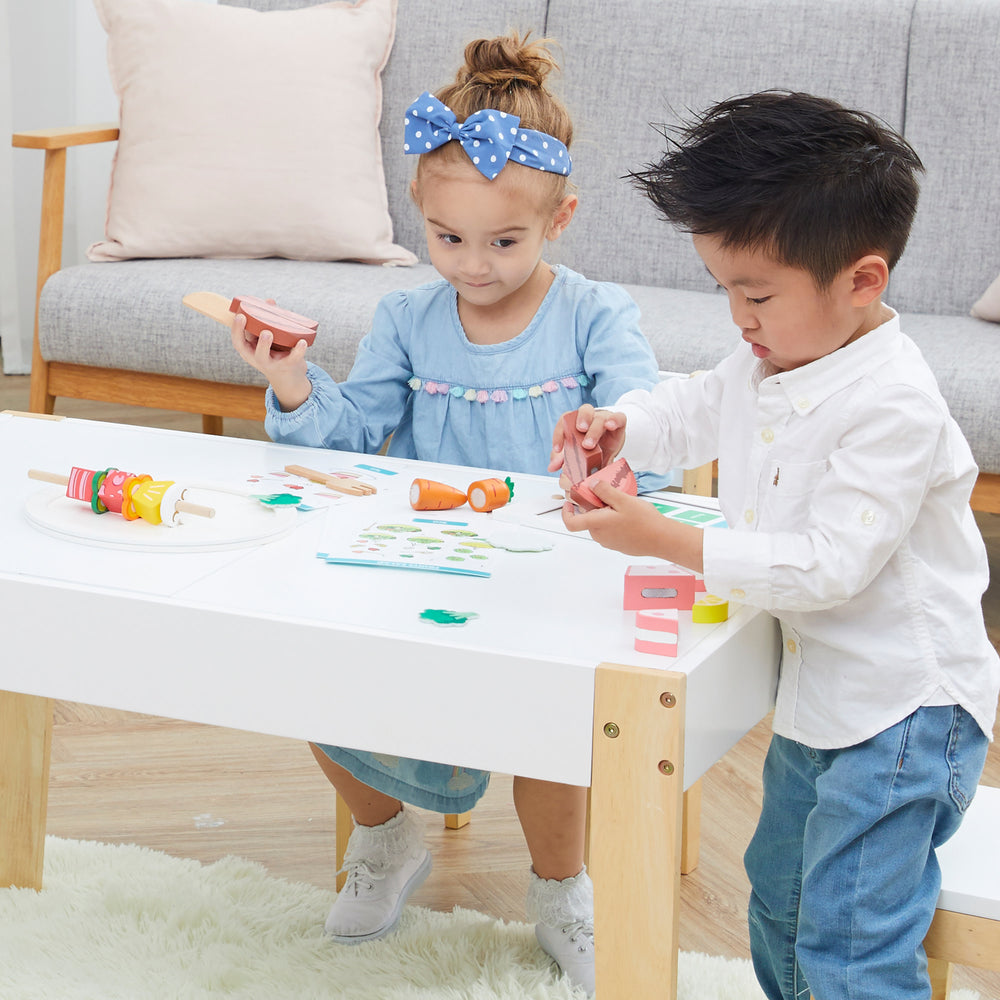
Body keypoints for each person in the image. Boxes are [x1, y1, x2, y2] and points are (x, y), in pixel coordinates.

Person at [231, 33, 666, 995]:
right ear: (421, 221)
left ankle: (562, 890)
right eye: (447, 238)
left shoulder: (596, 315)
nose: (473, 264)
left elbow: (646, 418)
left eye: (504, 241)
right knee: (309, 681)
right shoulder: (407, 320)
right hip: (420, 565)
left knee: (558, 733)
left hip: (551, 572)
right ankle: (386, 842)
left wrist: (611, 433)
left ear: (561, 220)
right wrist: (294, 382)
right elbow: (357, 434)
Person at [550, 91, 1000, 1000]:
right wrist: (620, 427)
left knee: (847, 944)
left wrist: (662, 538)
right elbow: (692, 406)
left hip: (906, 715)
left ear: (862, 281)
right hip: (822, 700)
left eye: (754, 295)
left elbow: (830, 566)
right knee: (782, 906)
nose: (736, 318)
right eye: (725, 289)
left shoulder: (893, 405)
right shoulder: (772, 359)